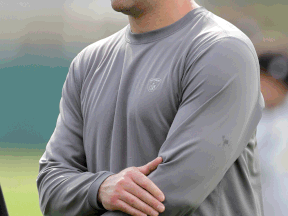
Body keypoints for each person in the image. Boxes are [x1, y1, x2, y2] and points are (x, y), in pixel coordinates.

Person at [36, 0, 265, 215]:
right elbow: (51, 188)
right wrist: (100, 188)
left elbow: (168, 197)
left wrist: (85, 194)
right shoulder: (88, 62)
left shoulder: (221, 49)